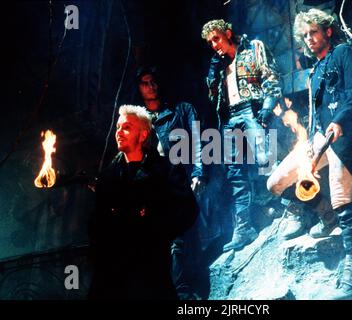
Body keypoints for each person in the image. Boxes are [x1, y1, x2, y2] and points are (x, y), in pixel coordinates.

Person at [269, 8, 352, 300]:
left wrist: (340, 121)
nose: (309, 39)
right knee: (276, 181)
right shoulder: (315, 70)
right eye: (305, 35)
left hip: (346, 135)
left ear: (327, 31)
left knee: (341, 191)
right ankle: (326, 215)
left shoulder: (343, 53)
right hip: (321, 136)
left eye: (313, 32)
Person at [88, 105, 199, 299]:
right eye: (118, 127)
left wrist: (154, 229)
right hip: (114, 275)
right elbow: (96, 223)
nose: (119, 132)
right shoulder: (107, 177)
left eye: (127, 127)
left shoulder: (166, 168)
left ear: (143, 134)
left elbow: (188, 209)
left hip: (152, 270)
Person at [201, 19, 282, 252]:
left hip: (252, 110)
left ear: (228, 33)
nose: (214, 45)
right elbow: (211, 96)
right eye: (210, 42)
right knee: (235, 172)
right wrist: (212, 72)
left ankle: (292, 207)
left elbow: (272, 79)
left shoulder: (253, 48)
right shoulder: (218, 63)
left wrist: (267, 109)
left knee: (267, 159)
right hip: (229, 117)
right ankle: (244, 227)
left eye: (216, 38)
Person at [136, 66, 207, 299]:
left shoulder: (181, 110)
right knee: (173, 242)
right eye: (145, 82)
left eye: (153, 81)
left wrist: (198, 172)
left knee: (191, 235)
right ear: (139, 88)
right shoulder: (139, 122)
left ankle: (196, 288)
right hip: (158, 189)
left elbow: (198, 143)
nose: (150, 86)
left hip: (184, 181)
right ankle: (183, 293)